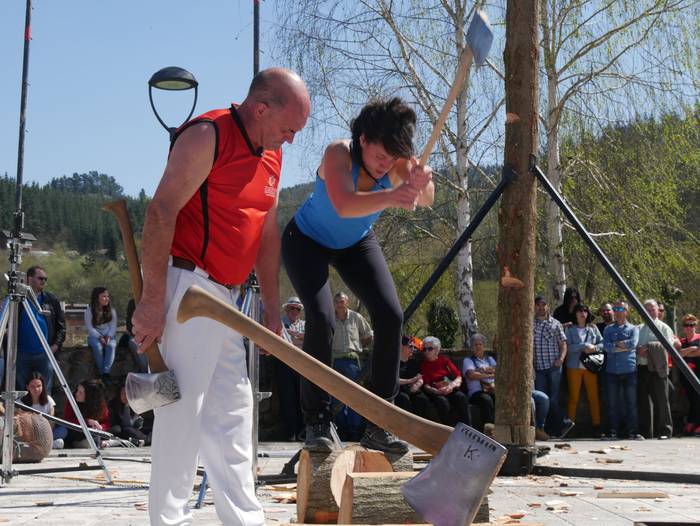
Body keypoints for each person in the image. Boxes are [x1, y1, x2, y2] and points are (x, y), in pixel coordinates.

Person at [131, 68, 310, 526]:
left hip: (227, 299)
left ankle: (244, 518)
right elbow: (160, 212)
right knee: (182, 409)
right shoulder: (206, 135)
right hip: (188, 287)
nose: (290, 140)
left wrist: (271, 311)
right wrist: (152, 301)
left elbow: (266, 232)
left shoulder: (272, 155)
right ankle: (168, 520)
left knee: (234, 410)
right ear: (261, 108)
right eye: (288, 129)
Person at [281, 97, 433, 454]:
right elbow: (345, 205)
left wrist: (421, 181)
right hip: (306, 241)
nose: (385, 165)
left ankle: (380, 422)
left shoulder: (397, 160)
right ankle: (317, 421)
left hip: (355, 243)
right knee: (321, 317)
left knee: (391, 315)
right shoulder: (338, 154)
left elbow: (426, 198)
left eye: (392, 159)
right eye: (380, 156)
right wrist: (395, 195)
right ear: (363, 139)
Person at [16, 266, 66, 393]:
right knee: (22, 392)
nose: (43, 281)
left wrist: (55, 345)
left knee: (45, 392)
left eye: (45, 279)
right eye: (40, 278)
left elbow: (61, 327)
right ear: (29, 279)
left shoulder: (51, 300)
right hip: (21, 354)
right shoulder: (17, 299)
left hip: (45, 354)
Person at [331, 291, 373, 440]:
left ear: (347, 303)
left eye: (342, 302)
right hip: (335, 360)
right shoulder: (330, 318)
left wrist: (358, 346)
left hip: (352, 360)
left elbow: (368, 335)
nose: (339, 305)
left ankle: (354, 430)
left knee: (355, 396)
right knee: (337, 395)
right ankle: (341, 429)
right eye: (337, 302)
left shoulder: (356, 317)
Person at [636, 299, 680, 439]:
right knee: (643, 401)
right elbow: (633, 345)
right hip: (642, 367)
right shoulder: (638, 328)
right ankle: (645, 432)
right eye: (647, 310)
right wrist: (638, 350)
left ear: (657, 310)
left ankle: (665, 431)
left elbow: (669, 345)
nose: (649, 312)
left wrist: (649, 348)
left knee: (662, 400)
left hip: (658, 369)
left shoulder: (664, 327)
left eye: (652, 309)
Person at [603, 301, 642, 440]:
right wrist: (623, 346)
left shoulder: (633, 328)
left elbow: (633, 344)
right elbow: (606, 347)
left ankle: (633, 432)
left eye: (621, 309)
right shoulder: (608, 329)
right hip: (612, 371)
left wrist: (616, 346)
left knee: (631, 403)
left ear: (627, 311)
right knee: (613, 403)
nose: (618, 311)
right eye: (615, 309)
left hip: (629, 370)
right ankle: (613, 432)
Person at [533, 295, 571, 437]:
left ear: (548, 306)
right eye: (538, 305)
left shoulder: (555, 324)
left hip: (554, 367)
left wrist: (561, 359)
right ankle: (544, 429)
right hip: (538, 368)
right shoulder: (530, 324)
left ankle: (561, 425)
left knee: (554, 399)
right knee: (542, 400)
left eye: (543, 304)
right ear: (534, 306)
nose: (541, 307)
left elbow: (563, 344)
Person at [564, 304, 603, 437]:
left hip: (590, 366)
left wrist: (594, 348)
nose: (582, 313)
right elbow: (568, 347)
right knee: (573, 398)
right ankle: (569, 427)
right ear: (575, 313)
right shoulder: (570, 329)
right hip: (574, 367)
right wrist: (583, 345)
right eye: (580, 311)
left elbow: (602, 343)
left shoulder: (593, 328)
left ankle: (597, 426)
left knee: (594, 397)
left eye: (585, 311)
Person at [420, 336, 471, 426]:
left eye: (430, 349)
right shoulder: (424, 365)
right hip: (436, 392)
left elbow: (458, 376)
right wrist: (436, 391)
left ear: (437, 350)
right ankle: (449, 429)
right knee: (442, 402)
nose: (426, 351)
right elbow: (426, 385)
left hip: (450, 388)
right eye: (424, 349)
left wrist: (451, 386)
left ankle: (467, 428)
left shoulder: (444, 361)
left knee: (461, 397)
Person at [276, 296, 305, 440]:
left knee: (301, 397)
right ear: (286, 309)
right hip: (284, 363)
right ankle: (290, 432)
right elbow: (280, 338)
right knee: (286, 397)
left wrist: (295, 336)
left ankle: (302, 431)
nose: (294, 311)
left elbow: (309, 338)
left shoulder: (305, 324)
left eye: (297, 309)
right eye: (292, 308)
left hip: (301, 364)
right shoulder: (280, 323)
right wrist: (299, 337)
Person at [55, 380, 111, 448]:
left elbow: (106, 422)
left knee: (113, 431)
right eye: (77, 390)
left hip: (92, 432)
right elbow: (67, 420)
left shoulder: (100, 404)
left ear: (89, 396)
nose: (77, 394)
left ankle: (90, 443)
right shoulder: (72, 400)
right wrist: (87, 422)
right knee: (63, 431)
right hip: (75, 430)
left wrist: (100, 427)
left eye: (80, 393)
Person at [461, 333, 496, 431]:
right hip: (476, 393)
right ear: (471, 348)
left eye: (480, 344)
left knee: (500, 398)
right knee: (486, 400)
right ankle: (489, 430)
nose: (478, 347)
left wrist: (481, 370)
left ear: (484, 346)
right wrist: (489, 374)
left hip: (492, 389)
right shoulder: (468, 360)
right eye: (475, 345)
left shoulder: (490, 359)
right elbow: (471, 375)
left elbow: (497, 370)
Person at [85, 287, 117, 377]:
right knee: (98, 347)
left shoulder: (112, 311)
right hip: (94, 336)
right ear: (96, 298)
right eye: (104, 296)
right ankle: (101, 373)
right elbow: (90, 328)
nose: (107, 299)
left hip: (109, 336)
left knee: (111, 346)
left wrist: (109, 336)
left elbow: (113, 326)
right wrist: (100, 337)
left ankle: (106, 373)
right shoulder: (89, 311)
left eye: (108, 296)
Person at [395, 335, 430, 418]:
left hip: (412, 389)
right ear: (401, 346)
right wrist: (410, 381)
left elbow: (420, 377)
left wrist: (417, 385)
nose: (413, 349)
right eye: (410, 346)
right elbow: (394, 379)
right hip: (399, 389)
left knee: (422, 399)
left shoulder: (414, 362)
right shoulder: (394, 363)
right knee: (404, 399)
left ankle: (419, 424)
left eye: (414, 347)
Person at [679, 314, 700, 436]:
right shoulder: (681, 341)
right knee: (691, 399)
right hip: (686, 376)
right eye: (686, 325)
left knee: (698, 398)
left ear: (695, 326)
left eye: (692, 325)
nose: (689, 328)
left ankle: (695, 423)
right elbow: (678, 354)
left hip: (698, 374)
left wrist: (685, 353)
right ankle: (692, 423)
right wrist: (692, 349)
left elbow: (699, 352)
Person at [117, 298, 148, 373]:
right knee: (143, 360)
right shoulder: (133, 302)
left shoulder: (152, 302)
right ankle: (145, 373)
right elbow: (129, 326)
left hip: (148, 336)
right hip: (135, 337)